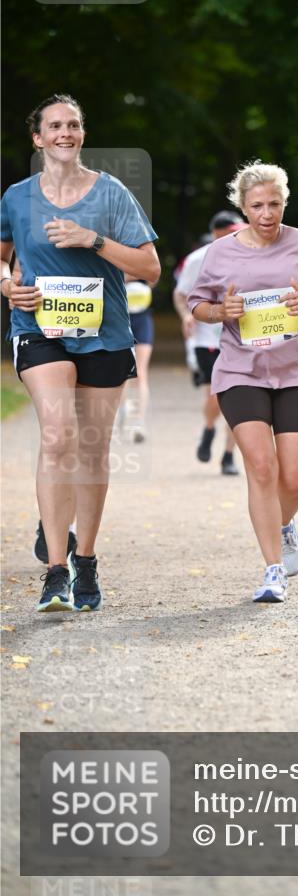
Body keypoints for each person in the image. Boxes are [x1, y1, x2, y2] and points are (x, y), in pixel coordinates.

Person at [0, 93, 160, 613]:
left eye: (73, 125)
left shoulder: (111, 194)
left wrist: (92, 240)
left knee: (90, 450)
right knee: (57, 435)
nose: (64, 133)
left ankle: (85, 559)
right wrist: (7, 286)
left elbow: (149, 268)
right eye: (54, 126)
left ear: (82, 134)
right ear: (38, 138)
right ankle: (54, 572)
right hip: (39, 326)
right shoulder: (17, 198)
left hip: (105, 332)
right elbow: (2, 258)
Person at [187, 161, 298, 603]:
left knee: (293, 480)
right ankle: (272, 569)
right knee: (261, 467)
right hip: (240, 370)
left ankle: (282, 523)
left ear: (284, 202)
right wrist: (222, 312)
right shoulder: (220, 252)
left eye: (274, 203)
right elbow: (197, 303)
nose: (267, 213)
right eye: (257, 205)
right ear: (242, 206)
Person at [173, 210, 241, 474]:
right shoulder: (197, 260)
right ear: (215, 235)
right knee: (216, 397)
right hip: (207, 338)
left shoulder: (250, 255)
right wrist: (185, 317)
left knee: (236, 399)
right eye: (228, 233)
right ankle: (209, 428)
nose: (235, 237)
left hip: (241, 339)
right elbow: (180, 295)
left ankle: (228, 456)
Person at [122, 276, 154, 442]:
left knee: (140, 373)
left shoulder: (145, 249)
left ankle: (139, 422)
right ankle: (121, 412)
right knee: (125, 373)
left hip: (142, 320)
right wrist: (136, 272)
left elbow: (153, 276)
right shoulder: (112, 250)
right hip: (121, 320)